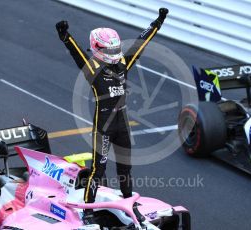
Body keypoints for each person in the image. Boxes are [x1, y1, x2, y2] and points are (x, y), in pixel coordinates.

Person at [56, 8, 168, 224]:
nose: (115, 51)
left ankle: (128, 201)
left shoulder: (124, 64)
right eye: (111, 48)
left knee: (125, 167)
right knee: (98, 170)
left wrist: (158, 22)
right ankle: (87, 210)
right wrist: (66, 37)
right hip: (103, 129)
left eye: (116, 47)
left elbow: (140, 43)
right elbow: (78, 55)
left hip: (122, 126)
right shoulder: (94, 69)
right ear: (98, 48)